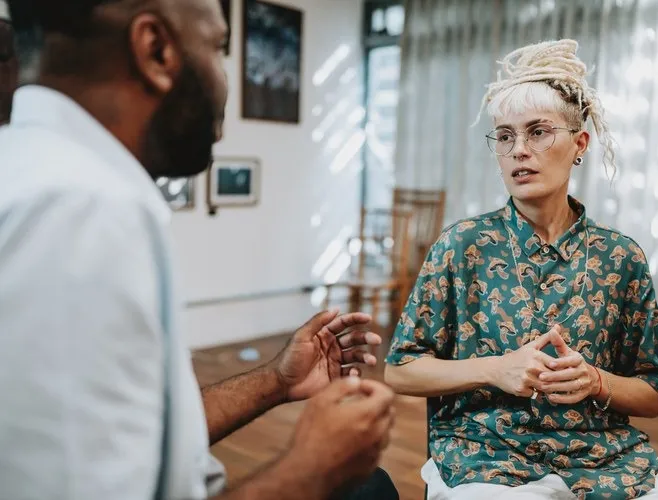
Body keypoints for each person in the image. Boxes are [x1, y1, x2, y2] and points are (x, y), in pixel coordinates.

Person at [0, 1, 399, 499]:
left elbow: (140, 439)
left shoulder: (30, 171)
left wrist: (277, 380)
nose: (222, 79)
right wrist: (312, 468)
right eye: (217, 47)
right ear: (156, 51)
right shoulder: (80, 211)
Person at [385, 39, 658, 499]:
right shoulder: (463, 246)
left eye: (539, 131)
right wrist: (495, 369)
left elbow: (654, 394)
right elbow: (400, 371)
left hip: (605, 462)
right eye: (505, 136)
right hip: (485, 458)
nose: (519, 150)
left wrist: (595, 381)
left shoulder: (622, 257)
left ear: (579, 143)